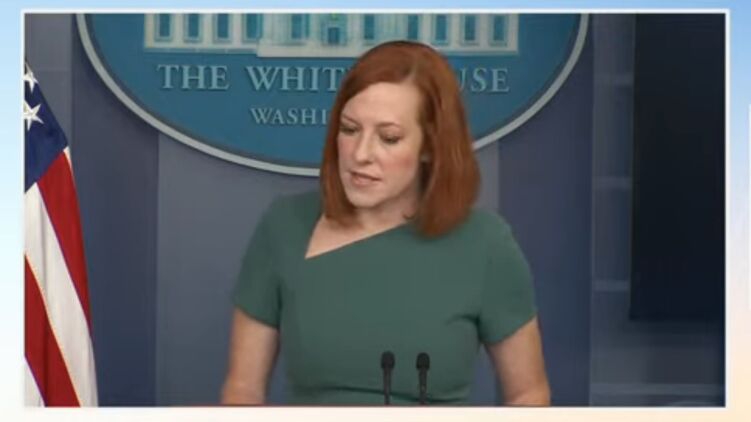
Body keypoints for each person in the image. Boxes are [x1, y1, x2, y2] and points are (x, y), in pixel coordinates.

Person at [221, 40, 550, 406]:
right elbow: (243, 392)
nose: (361, 154)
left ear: (430, 146)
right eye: (349, 129)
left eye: (388, 138)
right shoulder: (284, 226)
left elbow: (528, 396)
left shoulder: (486, 245)